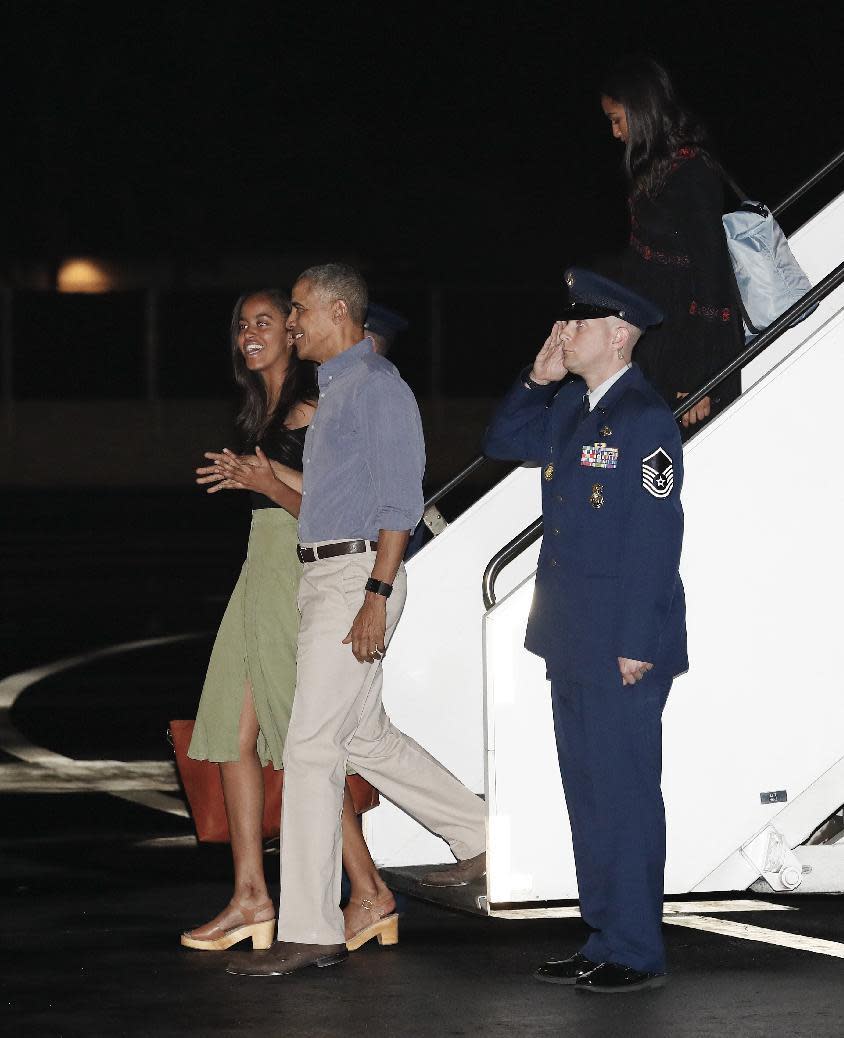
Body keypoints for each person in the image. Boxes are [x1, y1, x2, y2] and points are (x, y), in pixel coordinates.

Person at [226, 262, 486, 979]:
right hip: (328, 574)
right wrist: (266, 481)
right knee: (363, 736)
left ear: (338, 312)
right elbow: (330, 498)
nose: (294, 320)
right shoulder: (339, 393)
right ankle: (481, 833)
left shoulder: (376, 389)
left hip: (355, 577)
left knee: (311, 749)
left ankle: (310, 929)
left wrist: (375, 592)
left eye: (301, 309)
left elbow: (401, 502)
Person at [482, 268, 688, 993]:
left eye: (578, 324)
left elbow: (655, 538)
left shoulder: (644, 418)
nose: (564, 333)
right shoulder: (572, 408)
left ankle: (636, 949)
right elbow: (502, 438)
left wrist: (637, 641)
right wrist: (537, 379)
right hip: (569, 633)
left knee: (625, 796)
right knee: (590, 795)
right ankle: (603, 935)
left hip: (621, 644)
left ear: (619, 333)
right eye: (564, 323)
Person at [182, 289, 396, 954]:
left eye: (266, 322)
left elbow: (341, 517)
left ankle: (368, 892)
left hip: (297, 575)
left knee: (303, 741)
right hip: (260, 571)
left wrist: (266, 480)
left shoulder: (313, 408)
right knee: (229, 732)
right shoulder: (264, 407)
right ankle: (251, 895)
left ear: (292, 333)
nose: (251, 332)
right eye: (242, 322)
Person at [599, 54, 742, 438]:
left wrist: (701, 378)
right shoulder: (656, 169)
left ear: (640, 110)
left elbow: (711, 277)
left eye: (617, 120)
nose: (614, 133)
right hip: (661, 344)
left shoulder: (691, 171)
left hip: (690, 356)